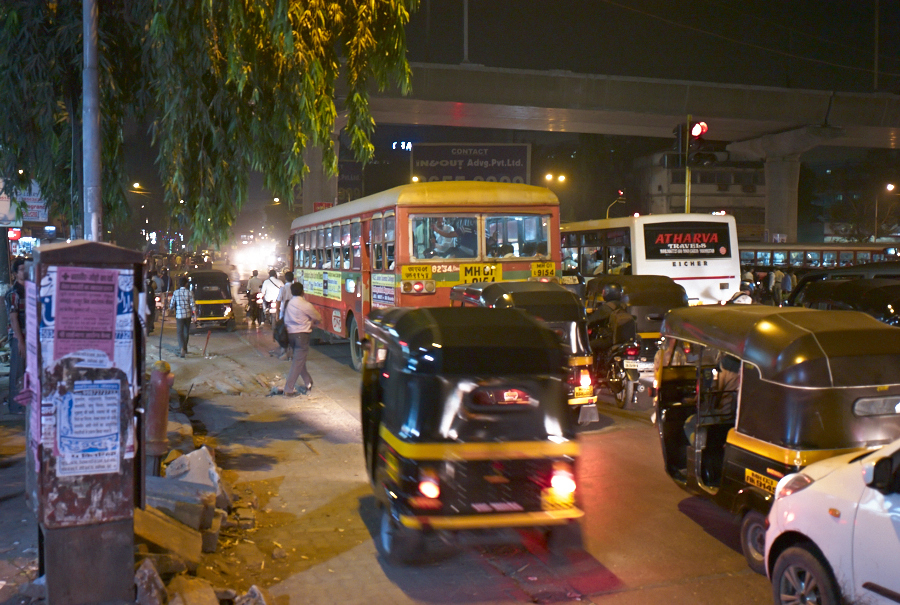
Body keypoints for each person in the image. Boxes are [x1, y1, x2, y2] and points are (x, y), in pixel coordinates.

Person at [273, 282, 322, 396]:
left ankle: (308, 382)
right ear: (302, 292)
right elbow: (318, 317)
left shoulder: (289, 304)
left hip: (291, 336)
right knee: (298, 362)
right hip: (302, 336)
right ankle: (288, 389)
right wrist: (312, 323)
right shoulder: (306, 305)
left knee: (299, 360)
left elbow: (285, 320)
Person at [5, 258, 26, 413]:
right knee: (18, 371)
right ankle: (15, 406)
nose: (25, 272)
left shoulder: (30, 290)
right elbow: (13, 318)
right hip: (19, 337)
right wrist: (20, 341)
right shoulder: (14, 293)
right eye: (21, 270)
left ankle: (24, 403)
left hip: (29, 336)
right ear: (15, 274)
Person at [169, 276, 194, 358]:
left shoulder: (176, 293)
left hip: (179, 315)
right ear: (186, 284)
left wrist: (170, 309)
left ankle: (181, 348)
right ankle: (185, 348)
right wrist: (195, 315)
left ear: (179, 284)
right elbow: (193, 304)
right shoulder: (189, 292)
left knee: (180, 332)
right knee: (186, 331)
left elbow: (172, 304)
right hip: (187, 315)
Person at [272, 271, 295, 360]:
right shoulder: (295, 288)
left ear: (285, 279)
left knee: (283, 332)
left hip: (284, 313)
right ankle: (291, 352)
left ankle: (284, 351)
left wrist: (277, 314)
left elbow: (278, 301)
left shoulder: (283, 288)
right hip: (294, 313)